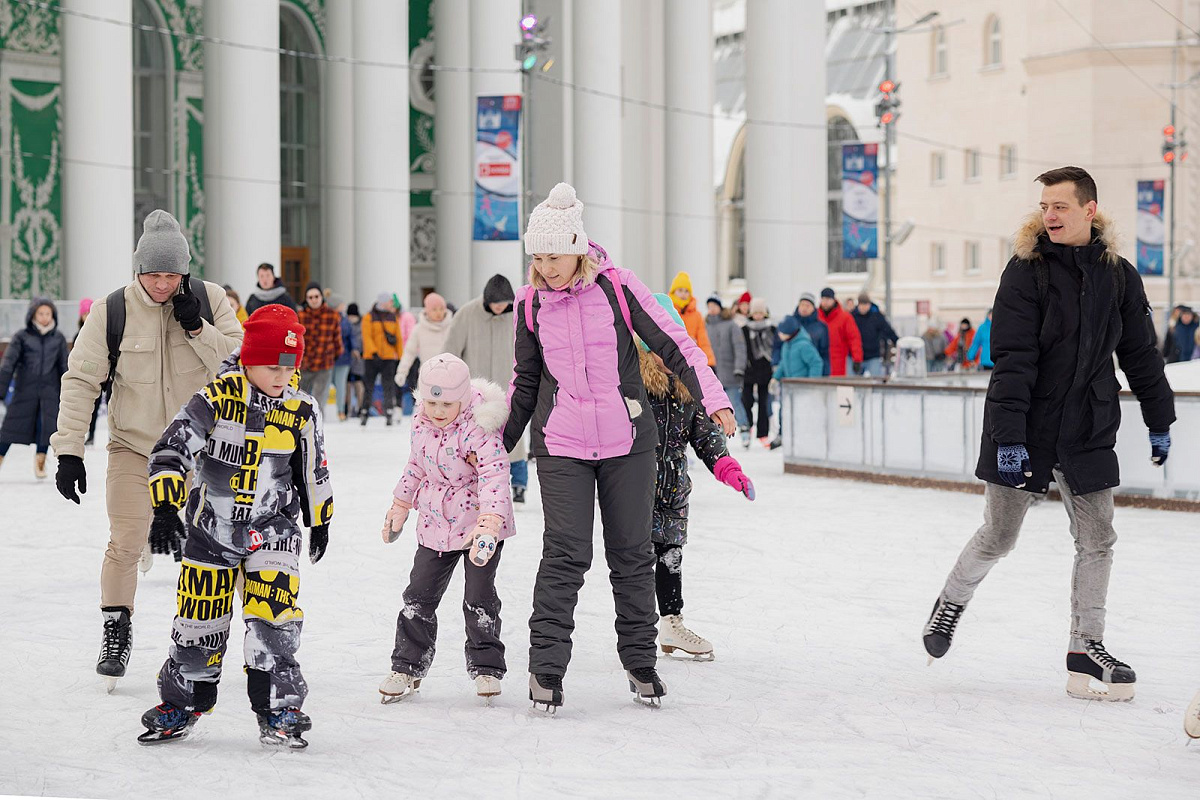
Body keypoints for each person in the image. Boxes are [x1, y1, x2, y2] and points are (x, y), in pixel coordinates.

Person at [922, 166, 1174, 703]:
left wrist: (1160, 419)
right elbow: (1012, 360)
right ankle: (950, 603)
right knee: (1000, 535)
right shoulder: (1025, 270)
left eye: (1060, 206)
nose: (1049, 215)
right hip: (1025, 427)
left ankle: (1086, 646)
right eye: (1044, 206)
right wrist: (1010, 437)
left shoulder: (1120, 275)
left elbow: (1139, 355)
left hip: (1087, 426)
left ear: (1090, 210)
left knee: (1099, 538)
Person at [506, 183, 733, 711]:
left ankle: (640, 663)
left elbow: (675, 346)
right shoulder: (530, 304)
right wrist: (498, 446)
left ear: (578, 247)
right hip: (561, 442)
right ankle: (545, 669)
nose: (545, 266)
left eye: (554, 255)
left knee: (631, 553)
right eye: (536, 257)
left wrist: (713, 399)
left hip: (628, 441)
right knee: (566, 552)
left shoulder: (618, 289)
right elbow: (524, 383)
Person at [50, 209, 243, 690]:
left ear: (185, 270)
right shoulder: (112, 310)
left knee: (222, 545)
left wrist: (198, 328)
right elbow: (80, 381)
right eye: (153, 274)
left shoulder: (209, 300)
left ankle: (244, 635)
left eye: (171, 274)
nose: (162, 284)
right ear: (139, 270)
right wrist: (70, 450)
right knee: (126, 539)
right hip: (134, 448)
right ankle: (117, 629)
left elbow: (241, 365)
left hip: (203, 451)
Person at [136, 304, 333, 748]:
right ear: (248, 359)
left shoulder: (302, 409)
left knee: (275, 617)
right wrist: (166, 507)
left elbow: (313, 466)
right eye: (271, 366)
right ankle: (183, 702)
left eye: (290, 366)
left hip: (274, 529)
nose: (281, 377)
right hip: (211, 532)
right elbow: (172, 447)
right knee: (197, 619)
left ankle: (280, 709)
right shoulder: (217, 398)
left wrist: (320, 518)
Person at [378, 354, 514, 704]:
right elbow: (415, 467)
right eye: (431, 401)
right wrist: (400, 504)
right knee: (418, 597)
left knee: (479, 598)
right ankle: (407, 666)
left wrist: (490, 523)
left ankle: (486, 667)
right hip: (435, 524)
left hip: (479, 529)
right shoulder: (422, 424)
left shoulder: (479, 428)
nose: (438, 410)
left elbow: (495, 475)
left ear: (464, 399)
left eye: (447, 403)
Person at [638, 295, 754, 662]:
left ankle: (671, 623)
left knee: (670, 557)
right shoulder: (632, 385)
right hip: (633, 487)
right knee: (636, 562)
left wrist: (727, 467)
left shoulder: (688, 386)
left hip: (673, 489)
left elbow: (704, 435)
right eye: (660, 346)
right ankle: (638, 631)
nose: (668, 354)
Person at [443, 274, 530, 504]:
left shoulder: (518, 315)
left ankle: (519, 483)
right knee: (478, 439)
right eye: (496, 303)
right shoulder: (467, 314)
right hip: (475, 391)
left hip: (509, 386)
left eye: (505, 303)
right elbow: (451, 349)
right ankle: (479, 483)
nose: (501, 308)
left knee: (514, 436)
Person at [0, 298, 68, 478]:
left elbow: (64, 367)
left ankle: (40, 464)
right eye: (41, 313)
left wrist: (67, 391)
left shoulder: (58, 338)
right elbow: (8, 364)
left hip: (49, 392)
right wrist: (2, 389)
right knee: (10, 427)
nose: (45, 317)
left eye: (48, 313)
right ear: (33, 315)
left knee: (45, 428)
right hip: (25, 390)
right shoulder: (22, 337)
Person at [296, 281, 344, 417]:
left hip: (324, 363)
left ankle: (316, 424)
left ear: (321, 297)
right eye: (310, 297)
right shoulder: (301, 316)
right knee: (300, 397)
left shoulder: (332, 315)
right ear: (306, 299)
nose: (314, 300)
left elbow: (337, 339)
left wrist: (335, 354)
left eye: (316, 296)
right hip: (305, 364)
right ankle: (300, 423)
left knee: (319, 400)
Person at [705, 294, 748, 438]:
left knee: (734, 402)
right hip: (712, 373)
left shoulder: (731, 325)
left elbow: (740, 347)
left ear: (720, 307)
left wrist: (739, 368)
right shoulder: (705, 326)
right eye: (709, 306)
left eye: (714, 306)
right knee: (716, 406)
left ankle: (744, 428)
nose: (711, 309)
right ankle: (720, 432)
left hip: (730, 372)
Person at [395, 292, 454, 396]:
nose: (439, 312)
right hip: (427, 376)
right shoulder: (419, 329)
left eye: (441, 308)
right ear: (427, 311)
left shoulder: (453, 327)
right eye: (434, 309)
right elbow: (409, 352)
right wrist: (402, 372)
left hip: (451, 376)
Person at [360, 293, 402, 426]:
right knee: (369, 386)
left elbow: (398, 338)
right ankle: (364, 411)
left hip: (388, 358)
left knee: (388, 385)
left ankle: (389, 411)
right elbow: (366, 336)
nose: (392, 304)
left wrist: (400, 356)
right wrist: (373, 352)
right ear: (383, 302)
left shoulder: (393, 317)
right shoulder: (369, 317)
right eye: (390, 301)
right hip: (371, 358)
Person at [741, 298, 777, 448]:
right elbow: (741, 349)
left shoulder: (771, 329)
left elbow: (774, 348)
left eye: (760, 313)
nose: (758, 316)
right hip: (749, 369)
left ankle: (763, 433)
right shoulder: (744, 329)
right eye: (755, 313)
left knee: (764, 402)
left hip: (765, 370)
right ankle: (747, 428)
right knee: (747, 400)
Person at [668, 271, 716, 367]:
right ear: (674, 291)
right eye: (680, 290)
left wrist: (709, 361)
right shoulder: (667, 311)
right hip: (671, 359)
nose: (683, 294)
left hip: (691, 360)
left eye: (686, 291)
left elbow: (703, 340)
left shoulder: (697, 315)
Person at [776, 293, 830, 376]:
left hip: (813, 372)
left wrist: (825, 374)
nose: (804, 308)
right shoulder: (790, 324)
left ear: (813, 308)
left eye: (808, 305)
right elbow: (780, 347)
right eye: (802, 305)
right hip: (793, 373)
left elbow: (824, 353)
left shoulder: (821, 327)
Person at [818, 287, 863, 376]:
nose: (825, 302)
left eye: (828, 299)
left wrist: (857, 359)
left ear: (834, 300)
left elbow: (854, 338)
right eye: (823, 299)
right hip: (819, 361)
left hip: (838, 361)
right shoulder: (816, 316)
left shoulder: (845, 317)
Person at [850, 292, 898, 377]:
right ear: (858, 305)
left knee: (876, 380)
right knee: (853, 382)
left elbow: (888, 331)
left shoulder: (877, 316)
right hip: (856, 357)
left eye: (866, 304)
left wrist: (898, 342)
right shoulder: (852, 316)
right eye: (861, 304)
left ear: (869, 305)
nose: (863, 307)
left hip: (873, 355)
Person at [342, 302, 365, 418]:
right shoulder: (345, 324)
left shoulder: (362, 325)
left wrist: (359, 351)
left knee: (358, 384)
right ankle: (347, 408)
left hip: (359, 360)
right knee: (347, 385)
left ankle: (361, 408)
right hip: (347, 359)